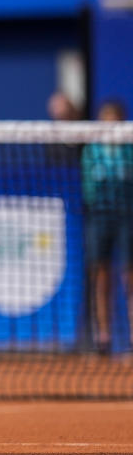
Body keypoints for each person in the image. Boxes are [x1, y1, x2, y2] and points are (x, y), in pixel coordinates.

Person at [81, 99, 133, 355]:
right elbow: (88, 190)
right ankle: (103, 338)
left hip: (128, 217)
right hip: (99, 218)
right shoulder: (92, 151)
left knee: (129, 275)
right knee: (100, 276)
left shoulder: (130, 150)